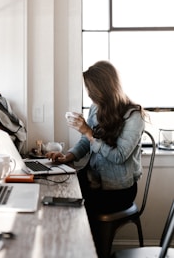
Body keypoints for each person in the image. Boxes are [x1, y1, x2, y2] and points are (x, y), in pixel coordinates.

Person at [46, 60, 146, 254]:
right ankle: (63, 250)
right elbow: (86, 142)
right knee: (57, 194)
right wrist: (68, 156)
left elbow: (119, 156)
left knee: (77, 210)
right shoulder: (96, 108)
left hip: (118, 190)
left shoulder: (134, 116)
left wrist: (88, 133)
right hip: (94, 180)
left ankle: (88, 252)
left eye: (92, 91)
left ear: (105, 89)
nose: (90, 96)